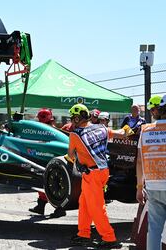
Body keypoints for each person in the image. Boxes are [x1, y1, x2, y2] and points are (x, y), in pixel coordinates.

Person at [66, 103, 132, 248]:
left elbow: (70, 156)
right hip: (103, 171)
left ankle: (109, 238)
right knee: (84, 202)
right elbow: (123, 133)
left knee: (96, 206)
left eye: (72, 118)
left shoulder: (74, 135)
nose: (71, 121)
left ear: (77, 119)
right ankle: (83, 234)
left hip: (91, 174)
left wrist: (76, 157)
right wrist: (131, 128)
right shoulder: (101, 128)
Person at [136, 94, 166, 249]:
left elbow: (140, 161)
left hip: (153, 185)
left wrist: (139, 188)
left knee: (154, 229)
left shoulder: (146, 130)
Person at [29, 108, 66, 218]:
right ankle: (40, 207)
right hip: (48, 160)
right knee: (43, 184)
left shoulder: (50, 131)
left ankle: (60, 209)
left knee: (55, 186)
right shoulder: (48, 130)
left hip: (53, 161)